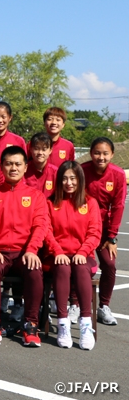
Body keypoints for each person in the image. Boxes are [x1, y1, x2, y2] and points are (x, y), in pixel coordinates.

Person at [0, 146, 47, 348]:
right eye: (8, 164)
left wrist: (32, 250)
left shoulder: (36, 196)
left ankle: (30, 324)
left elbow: (41, 225)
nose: (13, 168)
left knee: (35, 271)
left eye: (18, 164)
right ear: (1, 167)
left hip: (24, 252)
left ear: (26, 167)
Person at [46, 161, 100, 350]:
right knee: (62, 267)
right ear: (59, 180)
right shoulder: (51, 203)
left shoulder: (90, 203)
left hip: (83, 256)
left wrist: (83, 251)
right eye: (65, 178)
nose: (69, 182)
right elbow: (47, 231)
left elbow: (95, 233)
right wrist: (58, 251)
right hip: (58, 256)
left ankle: (85, 324)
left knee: (79, 266)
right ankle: (63, 324)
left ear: (80, 180)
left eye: (73, 178)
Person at [80, 137, 126, 326]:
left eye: (105, 153)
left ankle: (104, 306)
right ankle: (76, 303)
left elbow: (118, 205)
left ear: (112, 155)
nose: (101, 157)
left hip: (105, 231)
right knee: (81, 264)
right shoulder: (82, 171)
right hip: (83, 227)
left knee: (109, 264)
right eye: (97, 153)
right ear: (91, 153)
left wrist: (112, 236)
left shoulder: (118, 174)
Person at [24, 133, 57, 199]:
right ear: (30, 149)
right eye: (36, 149)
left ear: (50, 150)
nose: (40, 153)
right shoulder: (23, 170)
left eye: (44, 149)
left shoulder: (56, 172)